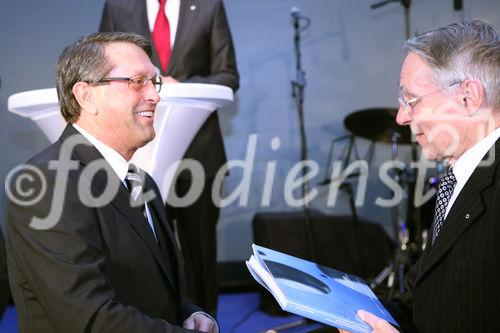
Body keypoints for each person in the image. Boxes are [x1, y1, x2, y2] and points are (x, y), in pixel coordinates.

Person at [5, 32, 218, 332]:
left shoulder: (143, 183)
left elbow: (163, 292)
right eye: (137, 81)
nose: (155, 95)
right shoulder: (47, 184)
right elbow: (92, 319)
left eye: (154, 82)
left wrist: (193, 313)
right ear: (86, 96)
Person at [340, 20, 500, 333]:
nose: (401, 117)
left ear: (468, 97)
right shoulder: (459, 178)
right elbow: (425, 303)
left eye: (411, 100)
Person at [99, 0, 239, 315]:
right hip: (136, 155)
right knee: (140, 256)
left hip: (198, 153)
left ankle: (207, 323)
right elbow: (100, 71)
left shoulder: (208, 6)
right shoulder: (118, 7)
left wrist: (182, 87)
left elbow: (228, 75)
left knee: (200, 255)